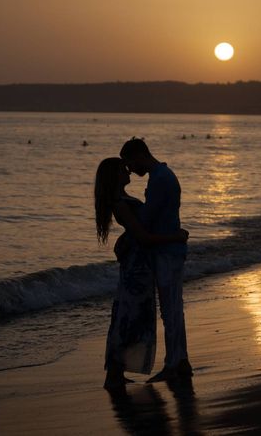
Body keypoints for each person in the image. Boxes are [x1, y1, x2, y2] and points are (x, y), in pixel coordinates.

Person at [94, 157, 189, 390]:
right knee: (129, 316)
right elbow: (143, 236)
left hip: (141, 263)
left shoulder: (123, 200)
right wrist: (175, 237)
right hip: (136, 267)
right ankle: (114, 373)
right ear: (115, 175)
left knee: (135, 316)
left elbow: (138, 230)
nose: (128, 170)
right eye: (122, 168)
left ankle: (117, 372)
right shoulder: (119, 203)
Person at [120, 137, 193, 383]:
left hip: (167, 252)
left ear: (140, 155)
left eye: (129, 163)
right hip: (169, 250)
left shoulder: (161, 179)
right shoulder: (162, 176)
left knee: (170, 310)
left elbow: (147, 219)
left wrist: (129, 234)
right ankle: (180, 361)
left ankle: (173, 364)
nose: (130, 169)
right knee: (174, 309)